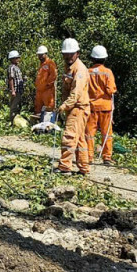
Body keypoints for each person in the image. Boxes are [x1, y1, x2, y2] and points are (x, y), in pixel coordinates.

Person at [56, 38, 96, 175]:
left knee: (70, 136)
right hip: (72, 107)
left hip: (78, 108)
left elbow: (76, 93)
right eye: (65, 54)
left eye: (71, 54)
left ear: (77, 53)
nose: (68, 57)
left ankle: (65, 167)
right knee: (79, 140)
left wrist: (64, 106)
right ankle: (84, 167)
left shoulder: (79, 69)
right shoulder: (68, 67)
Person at [88, 45, 117, 164]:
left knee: (89, 134)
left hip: (91, 107)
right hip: (105, 107)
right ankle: (107, 157)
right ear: (104, 58)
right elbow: (111, 90)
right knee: (107, 133)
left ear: (92, 58)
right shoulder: (107, 72)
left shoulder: (87, 72)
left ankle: (88, 157)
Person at [33, 44, 57, 128]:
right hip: (39, 91)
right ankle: (38, 126)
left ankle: (48, 126)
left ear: (45, 54)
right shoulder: (41, 64)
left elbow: (53, 76)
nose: (40, 56)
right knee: (38, 108)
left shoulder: (50, 63)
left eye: (41, 55)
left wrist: (47, 85)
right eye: (39, 55)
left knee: (48, 108)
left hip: (47, 91)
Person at [5, 50, 26, 122]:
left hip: (19, 91)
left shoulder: (17, 67)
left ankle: (16, 120)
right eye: (16, 58)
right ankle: (12, 121)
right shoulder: (12, 67)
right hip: (15, 91)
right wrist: (13, 91)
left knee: (18, 106)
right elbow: (11, 79)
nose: (18, 59)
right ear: (12, 59)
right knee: (14, 107)